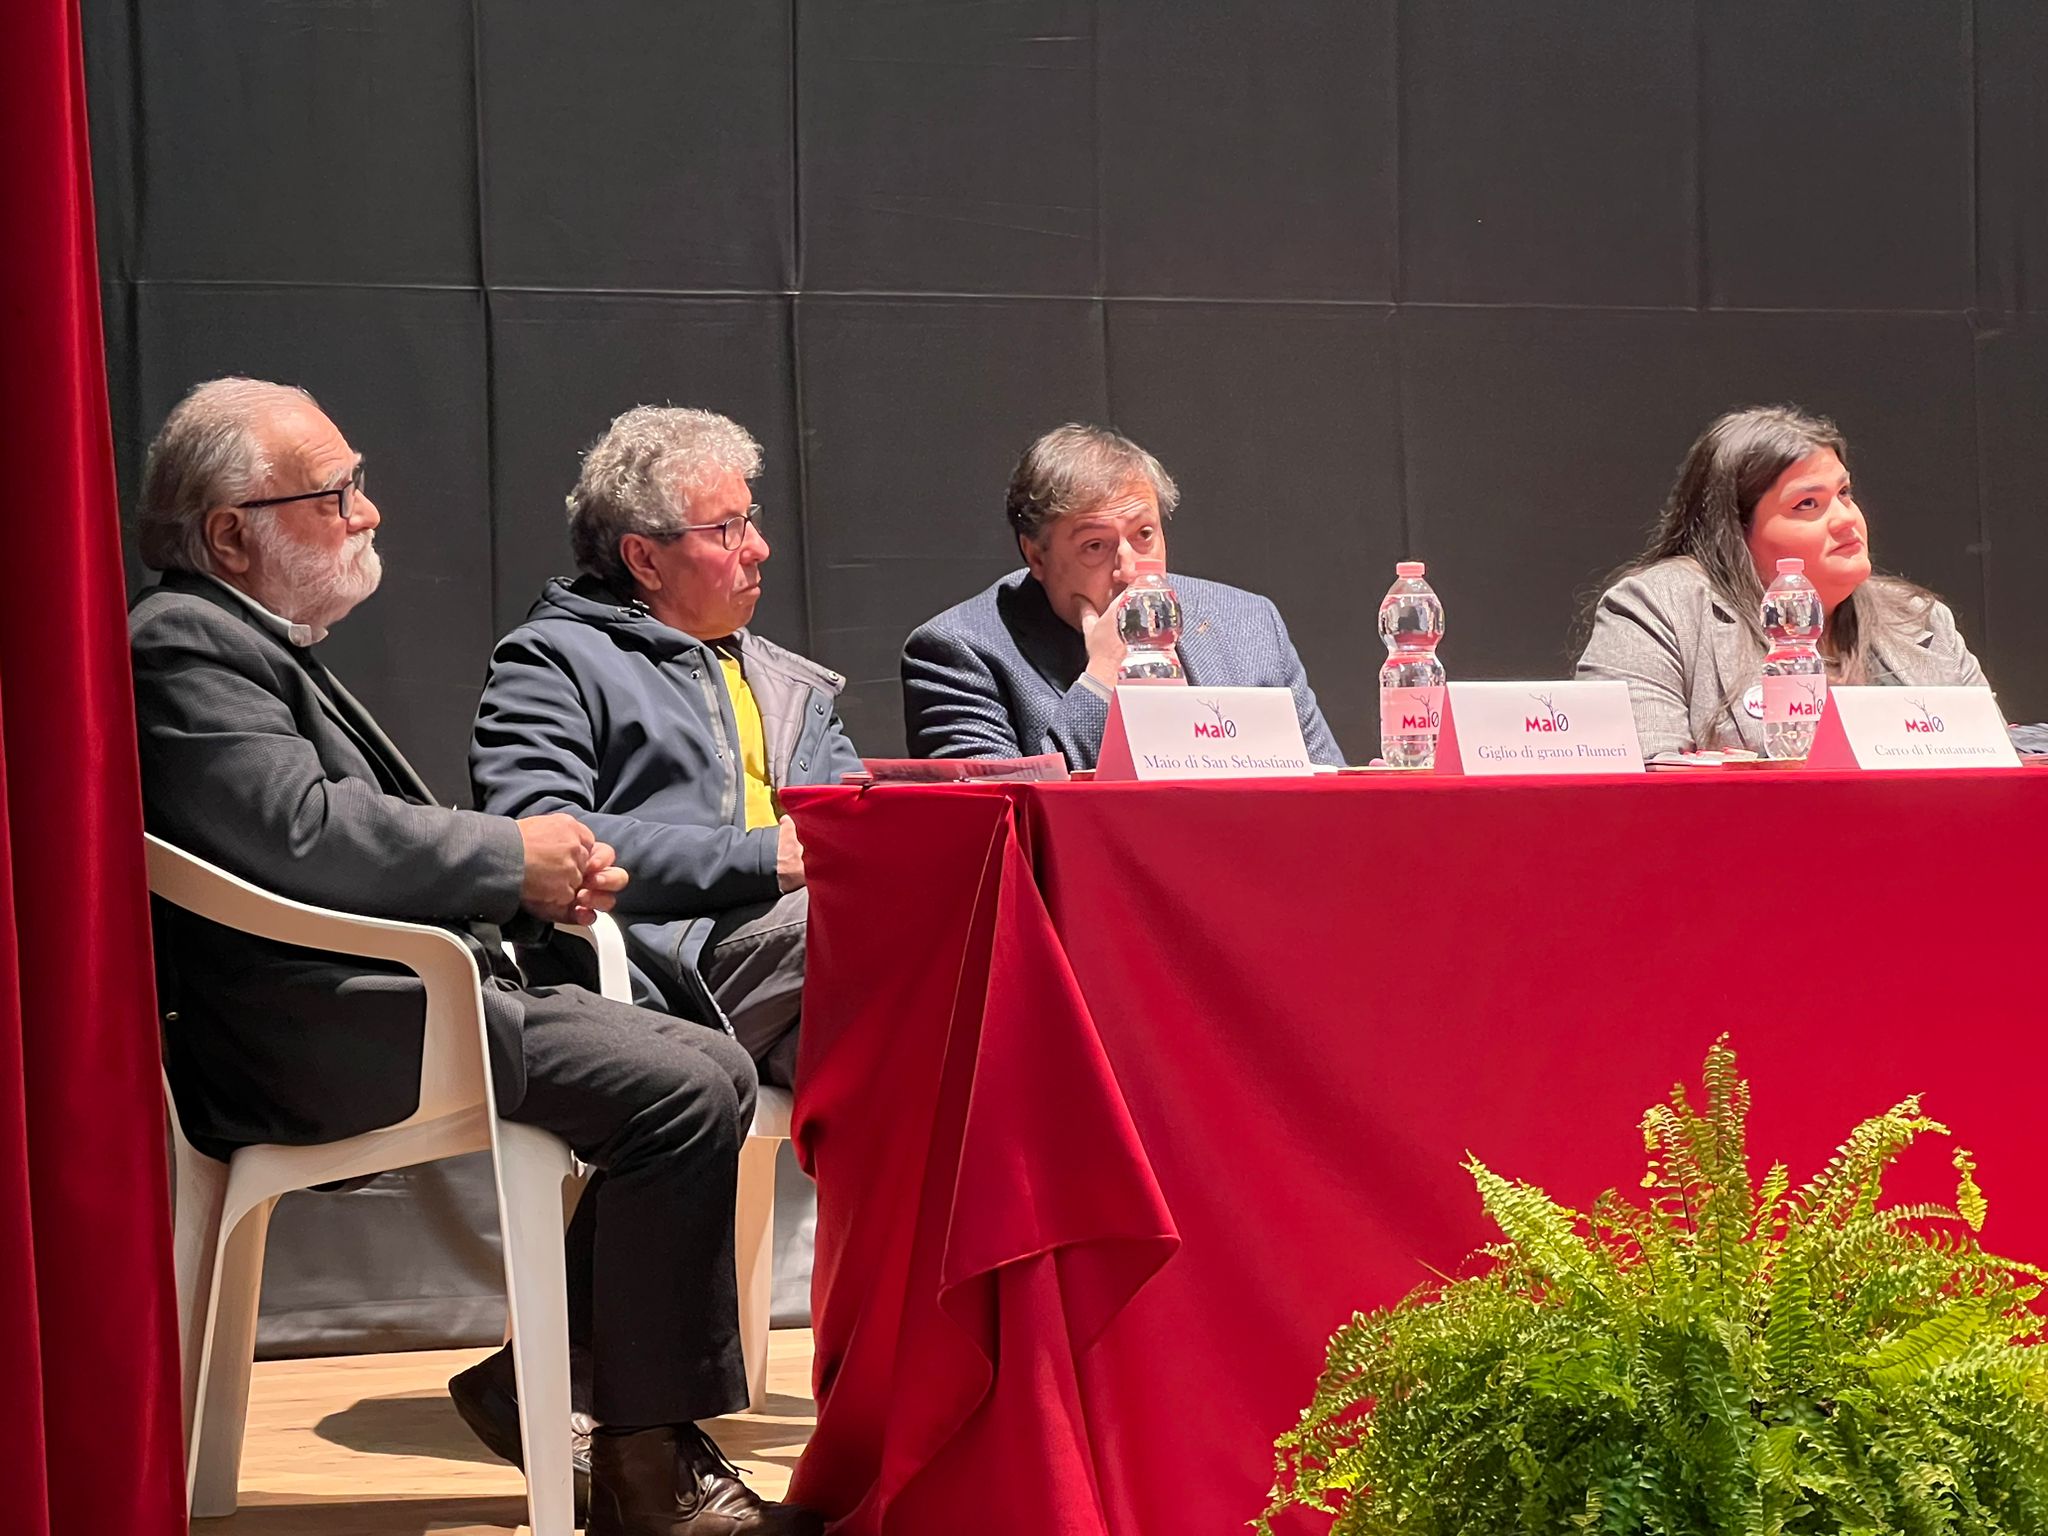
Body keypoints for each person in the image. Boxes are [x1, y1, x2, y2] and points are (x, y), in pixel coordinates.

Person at [129, 378, 818, 1536]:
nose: (368, 512)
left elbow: (320, 835)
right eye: (336, 491)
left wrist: (538, 883)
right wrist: (510, 859)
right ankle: (647, 1472)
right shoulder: (186, 640)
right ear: (232, 532)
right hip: (313, 1028)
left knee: (696, 1065)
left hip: (375, 998)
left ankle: (619, 1437)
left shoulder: (257, 643)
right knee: (687, 1079)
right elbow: (299, 834)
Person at [470, 407, 858, 1090]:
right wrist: (761, 857)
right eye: (726, 529)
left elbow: (857, 819)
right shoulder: (555, 659)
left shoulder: (787, 681)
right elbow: (539, 835)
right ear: (644, 558)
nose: (759, 547)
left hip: (802, 973)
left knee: (945, 1043)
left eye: (752, 518)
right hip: (668, 969)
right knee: (880, 921)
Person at [900, 423, 1343, 768]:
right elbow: (1006, 829)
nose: (1130, 570)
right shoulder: (956, 654)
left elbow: (1326, 788)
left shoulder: (1247, 622)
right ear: (1035, 556)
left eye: (1144, 534)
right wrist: (1103, 675)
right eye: (1096, 545)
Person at [1577, 404, 1989, 758]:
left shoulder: (1921, 621)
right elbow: (1641, 788)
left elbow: (2000, 777)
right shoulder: (1659, 608)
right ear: (1735, 530)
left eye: (1844, 494)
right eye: (1807, 503)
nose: (1847, 520)